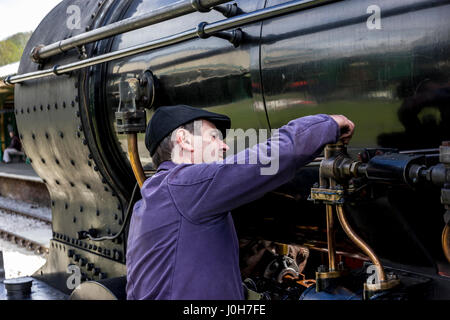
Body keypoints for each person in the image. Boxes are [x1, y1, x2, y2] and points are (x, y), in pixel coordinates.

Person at [126, 105, 355, 300]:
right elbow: (267, 160)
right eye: (214, 137)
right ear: (184, 141)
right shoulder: (185, 186)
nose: (224, 146)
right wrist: (328, 124)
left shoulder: (151, 197)